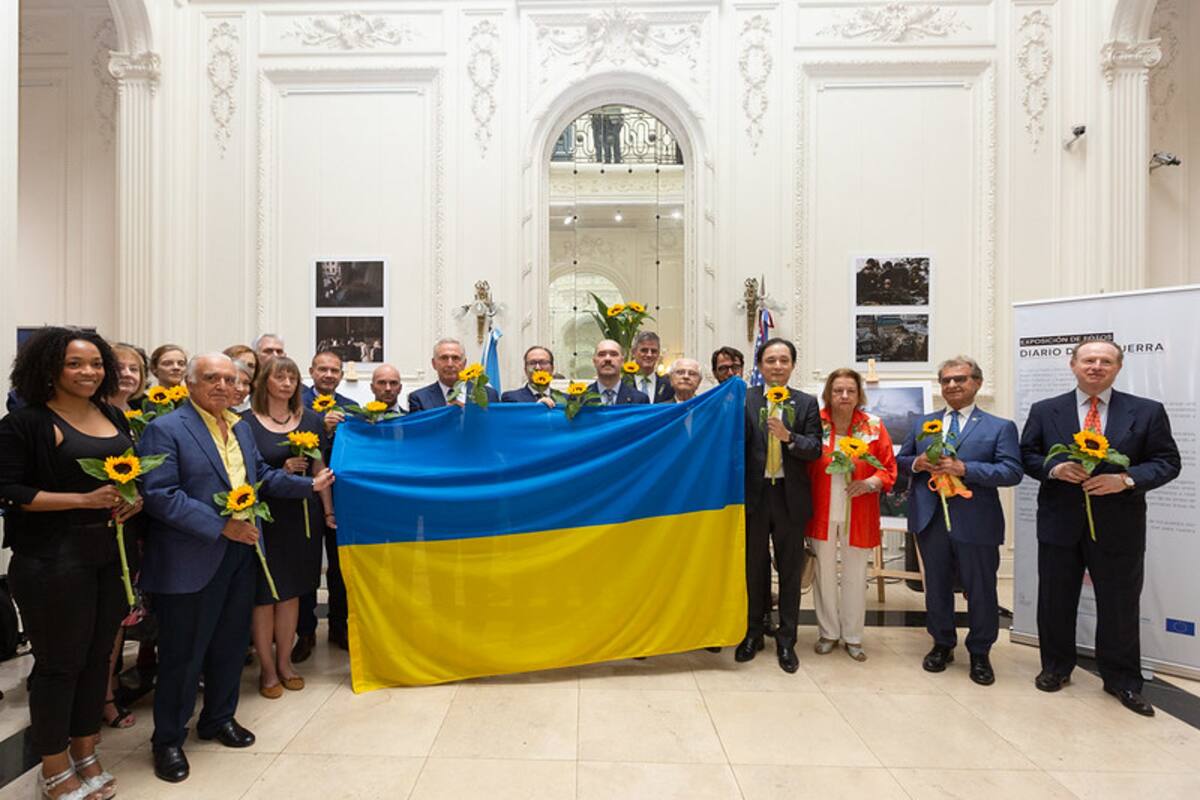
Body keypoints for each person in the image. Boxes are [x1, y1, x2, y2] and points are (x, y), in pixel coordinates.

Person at [137, 353, 333, 783]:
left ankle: (218, 719)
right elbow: (160, 494)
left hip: (242, 555)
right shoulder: (165, 429)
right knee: (183, 655)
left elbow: (259, 476)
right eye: (213, 378)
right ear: (190, 383)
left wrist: (308, 485)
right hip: (191, 559)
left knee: (228, 645)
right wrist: (221, 527)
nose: (224, 386)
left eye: (231, 379)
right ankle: (168, 740)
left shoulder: (239, 426)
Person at [0, 327, 141, 800]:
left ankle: (85, 750)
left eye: (96, 364)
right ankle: (53, 764)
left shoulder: (109, 413)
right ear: (49, 368)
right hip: (51, 561)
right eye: (75, 364)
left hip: (108, 555)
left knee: (97, 658)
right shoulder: (26, 422)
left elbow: (128, 474)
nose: (89, 372)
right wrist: (82, 499)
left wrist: (131, 499)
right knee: (59, 665)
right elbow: (10, 492)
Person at [1020, 339, 1180, 716]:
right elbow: (1028, 454)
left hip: (1119, 526)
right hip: (1060, 524)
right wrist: (1055, 469)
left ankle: (1123, 681)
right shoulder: (1046, 410)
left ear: (1118, 368)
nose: (1096, 366)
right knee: (1056, 601)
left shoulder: (1146, 411)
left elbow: (1168, 461)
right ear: (1072, 364)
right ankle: (1055, 668)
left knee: (1120, 605)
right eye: (1088, 360)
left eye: (1105, 361)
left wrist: (1124, 480)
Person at [896, 356, 1021, 684]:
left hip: (976, 521)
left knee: (980, 589)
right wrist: (918, 463)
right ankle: (941, 644)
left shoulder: (999, 427)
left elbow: (1011, 471)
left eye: (960, 379)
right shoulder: (923, 424)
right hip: (931, 520)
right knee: (935, 587)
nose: (952, 385)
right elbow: (900, 463)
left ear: (976, 383)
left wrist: (965, 469)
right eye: (947, 380)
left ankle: (980, 651)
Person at [240, 357, 334, 699]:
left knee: (292, 593)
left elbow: (321, 469)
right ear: (264, 381)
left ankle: (285, 662)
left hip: (302, 517)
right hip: (266, 517)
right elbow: (248, 474)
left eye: (292, 377)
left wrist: (328, 512)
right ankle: (266, 669)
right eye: (279, 376)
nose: (287, 383)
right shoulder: (245, 423)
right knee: (265, 597)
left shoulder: (309, 418)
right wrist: (283, 468)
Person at [736, 338, 821, 673]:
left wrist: (790, 438)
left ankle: (787, 641)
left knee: (789, 573)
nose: (777, 366)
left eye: (783, 360)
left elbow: (814, 448)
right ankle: (753, 633)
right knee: (753, 570)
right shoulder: (745, 400)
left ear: (792, 366)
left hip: (790, 498)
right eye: (770, 360)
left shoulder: (806, 403)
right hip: (754, 496)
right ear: (760, 365)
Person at [805, 368, 896, 662]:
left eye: (850, 391)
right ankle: (828, 632)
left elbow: (888, 467)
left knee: (856, 575)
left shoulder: (873, 425)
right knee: (825, 574)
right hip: (821, 510)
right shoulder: (815, 423)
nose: (844, 396)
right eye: (837, 391)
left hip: (859, 509)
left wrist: (870, 483)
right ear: (828, 394)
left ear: (859, 394)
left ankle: (854, 636)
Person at [294, 351, 354, 660]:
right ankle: (304, 631)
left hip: (338, 497)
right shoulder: (296, 404)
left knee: (338, 564)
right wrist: (321, 426)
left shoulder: (350, 408)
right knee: (305, 564)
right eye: (323, 369)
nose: (329, 375)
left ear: (341, 375)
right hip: (303, 496)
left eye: (334, 370)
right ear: (311, 370)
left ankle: (338, 625)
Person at [407, 338, 499, 412]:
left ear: (464, 364)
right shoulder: (419, 398)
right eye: (444, 358)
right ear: (434, 363)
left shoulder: (489, 395)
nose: (450, 364)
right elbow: (421, 433)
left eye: (455, 358)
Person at [588, 339, 649, 406]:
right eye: (602, 354)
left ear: (622, 361)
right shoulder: (580, 400)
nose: (607, 359)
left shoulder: (640, 400)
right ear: (594, 361)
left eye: (614, 354)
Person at [631, 331, 674, 403]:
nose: (649, 355)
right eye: (644, 350)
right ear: (633, 352)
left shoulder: (668, 386)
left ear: (658, 354)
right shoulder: (623, 383)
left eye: (653, 351)